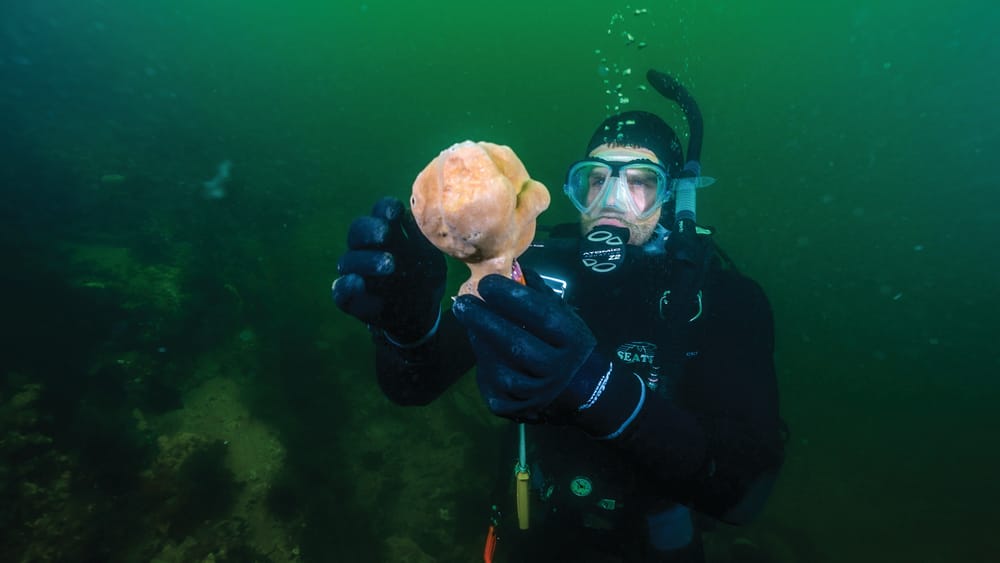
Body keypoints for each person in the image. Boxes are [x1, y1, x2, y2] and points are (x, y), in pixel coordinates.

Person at [332, 70, 785, 562]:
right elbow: (415, 387)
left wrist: (596, 387)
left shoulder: (722, 299)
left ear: (671, 197)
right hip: (538, 527)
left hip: (654, 548)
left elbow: (745, 493)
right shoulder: (535, 269)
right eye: (595, 180)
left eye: (640, 183)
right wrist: (407, 330)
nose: (611, 203)